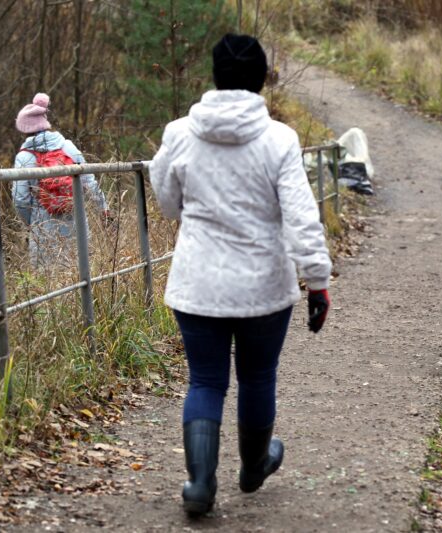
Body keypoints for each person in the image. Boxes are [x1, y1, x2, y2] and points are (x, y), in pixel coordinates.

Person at [149, 33, 332, 516]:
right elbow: (300, 216)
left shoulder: (178, 133)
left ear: (214, 76)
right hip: (262, 288)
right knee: (257, 377)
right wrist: (317, 280)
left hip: (198, 284)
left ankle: (199, 484)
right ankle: (253, 466)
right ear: (259, 79)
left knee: (205, 381)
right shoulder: (279, 139)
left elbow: (167, 204)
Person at [13, 93, 110, 269]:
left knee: (47, 281)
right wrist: (103, 209)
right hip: (76, 224)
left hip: (43, 229)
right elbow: (89, 183)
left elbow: (20, 199)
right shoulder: (68, 146)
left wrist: (31, 224)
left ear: (25, 128)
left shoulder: (24, 157)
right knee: (81, 274)